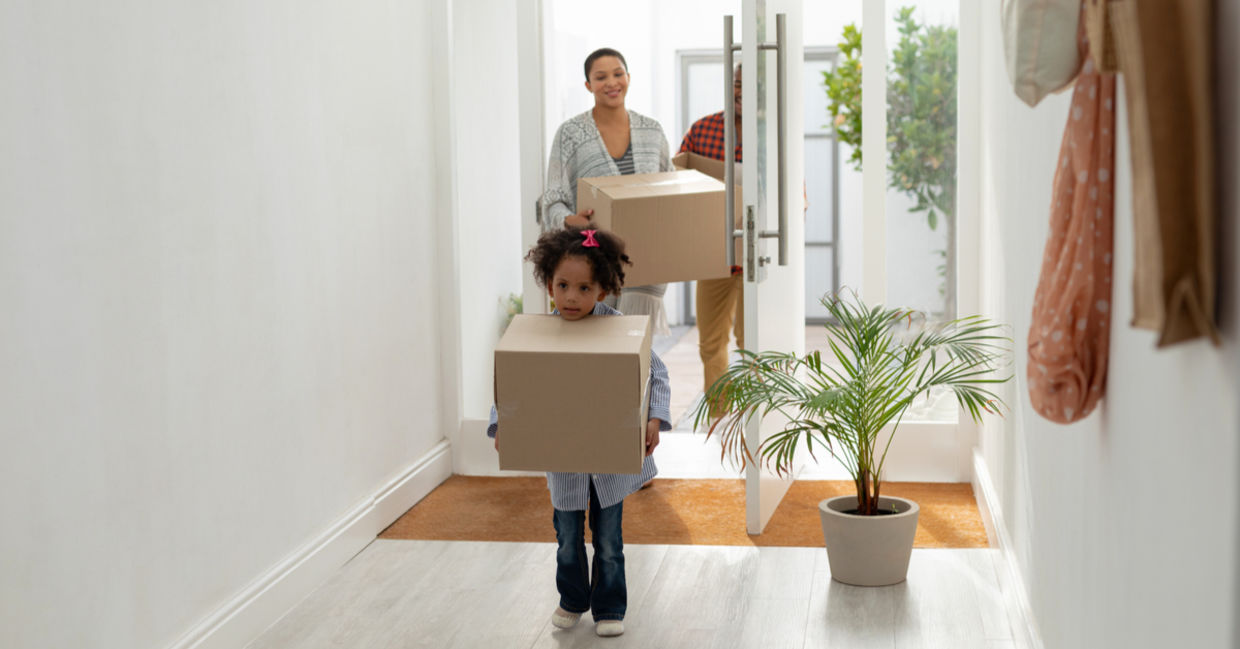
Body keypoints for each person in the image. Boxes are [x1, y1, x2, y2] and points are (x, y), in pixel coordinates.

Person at [488, 227, 671, 638]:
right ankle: (572, 599)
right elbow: (515, 382)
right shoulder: (540, 334)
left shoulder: (620, 329)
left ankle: (609, 606)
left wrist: (654, 418)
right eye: (562, 286)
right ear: (549, 285)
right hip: (565, 464)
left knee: (608, 542)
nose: (571, 297)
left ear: (603, 290)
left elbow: (656, 373)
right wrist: (504, 423)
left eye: (584, 288)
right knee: (567, 539)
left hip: (610, 467)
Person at [541, 47, 674, 335]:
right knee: (595, 348)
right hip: (592, 261)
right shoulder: (570, 133)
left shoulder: (653, 131)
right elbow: (553, 197)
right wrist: (568, 220)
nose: (611, 83)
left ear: (628, 77)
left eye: (618, 74)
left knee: (637, 350)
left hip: (645, 258)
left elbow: (670, 192)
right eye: (601, 77)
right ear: (588, 85)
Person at [679, 64, 744, 412]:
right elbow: (676, 182)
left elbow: (798, 196)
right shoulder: (703, 130)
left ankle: (755, 421)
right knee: (711, 344)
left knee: (754, 345)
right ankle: (720, 420)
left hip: (755, 258)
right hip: (713, 253)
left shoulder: (774, 134)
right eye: (737, 84)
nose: (741, 92)